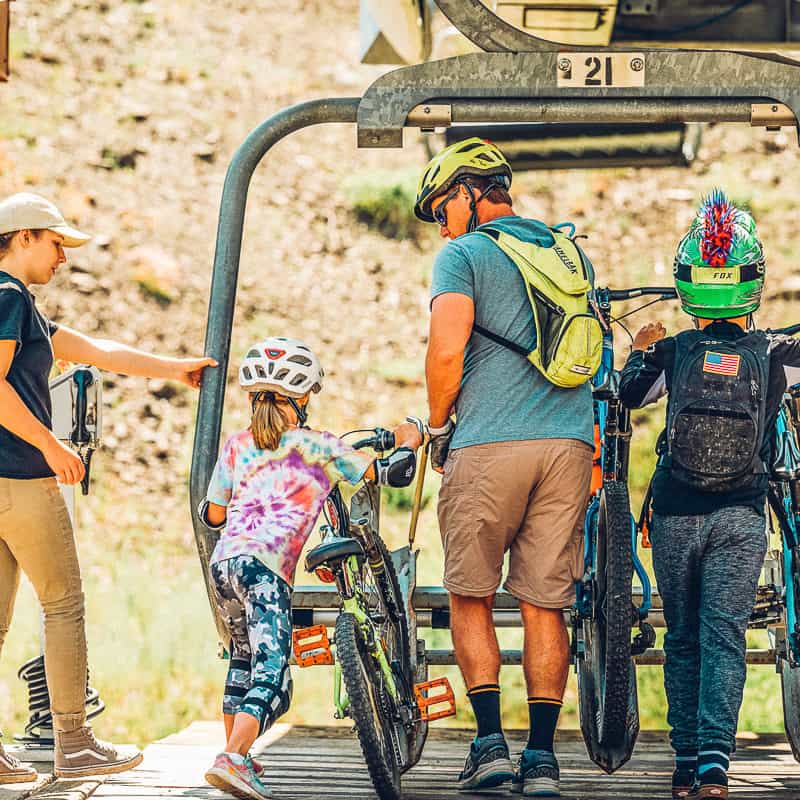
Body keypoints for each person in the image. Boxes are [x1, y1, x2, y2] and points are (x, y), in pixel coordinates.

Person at [0, 192, 216, 783]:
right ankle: (75, 744)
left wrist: (175, 367)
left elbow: (94, 351)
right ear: (23, 238)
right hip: (22, 480)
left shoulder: (22, 306)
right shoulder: (9, 298)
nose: (63, 258)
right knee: (62, 605)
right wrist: (49, 444)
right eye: (56, 243)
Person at [415, 138, 595, 797]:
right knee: (546, 603)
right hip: (569, 446)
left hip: (490, 443)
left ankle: (490, 745)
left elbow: (445, 350)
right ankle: (542, 760)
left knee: (470, 592)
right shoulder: (570, 253)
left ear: (466, 192)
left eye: (441, 208)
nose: (441, 224)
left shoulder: (462, 256)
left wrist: (437, 426)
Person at [619, 191, 800, 800]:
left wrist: (642, 346)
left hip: (674, 511)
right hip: (741, 516)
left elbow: (627, 396)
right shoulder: (775, 354)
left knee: (683, 637)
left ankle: (684, 759)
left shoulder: (675, 352)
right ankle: (716, 766)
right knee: (725, 634)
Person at [198, 336, 423, 800]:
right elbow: (385, 473)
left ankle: (238, 757)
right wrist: (408, 436)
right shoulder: (319, 447)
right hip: (265, 573)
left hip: (224, 569)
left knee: (242, 660)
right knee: (274, 673)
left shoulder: (237, 445)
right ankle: (233, 758)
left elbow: (213, 515)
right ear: (301, 398)